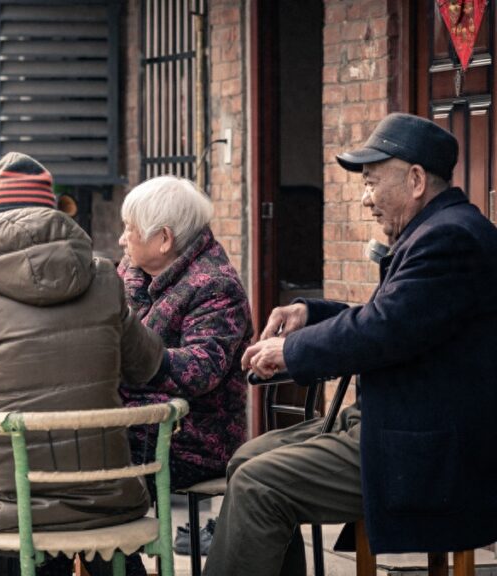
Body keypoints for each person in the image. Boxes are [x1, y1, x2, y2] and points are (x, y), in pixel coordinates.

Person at [204, 113, 497, 576]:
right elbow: (394, 318)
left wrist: (290, 351)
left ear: (417, 179)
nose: (365, 199)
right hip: (398, 424)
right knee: (246, 459)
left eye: (372, 183)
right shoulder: (439, 230)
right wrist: (310, 313)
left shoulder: (449, 240)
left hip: (429, 453)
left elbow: (383, 329)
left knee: (260, 484)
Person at [0, 152, 165, 575]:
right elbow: (148, 365)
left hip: (0, 504)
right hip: (104, 494)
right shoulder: (104, 279)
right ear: (53, 214)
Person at [117, 175, 252, 559]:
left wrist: (128, 358)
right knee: (62, 455)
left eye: (129, 230)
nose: (122, 240)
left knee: (87, 469)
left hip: (190, 439)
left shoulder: (215, 287)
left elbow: (200, 368)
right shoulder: (134, 270)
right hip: (134, 424)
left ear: (164, 239)